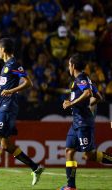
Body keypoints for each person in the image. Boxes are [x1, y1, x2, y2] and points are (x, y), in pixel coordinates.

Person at [0, 38, 44, 189]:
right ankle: (35, 167)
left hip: (9, 107)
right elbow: (5, 89)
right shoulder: (6, 66)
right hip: (4, 105)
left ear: (3, 50)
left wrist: (11, 91)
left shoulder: (14, 64)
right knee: (6, 144)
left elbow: (28, 82)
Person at [61, 54, 112, 190]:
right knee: (69, 150)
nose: (68, 67)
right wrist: (87, 106)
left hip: (83, 122)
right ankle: (71, 186)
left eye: (69, 65)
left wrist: (72, 103)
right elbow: (98, 96)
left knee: (88, 155)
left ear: (72, 66)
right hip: (76, 122)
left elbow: (88, 93)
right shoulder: (84, 79)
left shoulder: (81, 79)